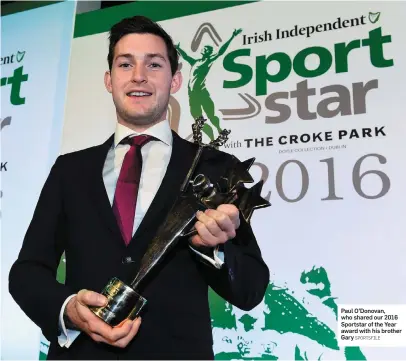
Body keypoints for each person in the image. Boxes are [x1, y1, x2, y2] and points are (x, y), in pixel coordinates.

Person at [8, 16, 269, 360]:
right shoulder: (69, 170)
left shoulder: (215, 168)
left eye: (154, 64)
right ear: (109, 79)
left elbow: (251, 288)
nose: (138, 76)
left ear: (175, 80)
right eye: (125, 63)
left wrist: (215, 251)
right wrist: (68, 308)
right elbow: (27, 271)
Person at [176, 29, 242, 141]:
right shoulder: (195, 62)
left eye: (206, 49)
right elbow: (186, 56)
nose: (203, 49)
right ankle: (211, 138)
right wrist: (178, 48)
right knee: (198, 120)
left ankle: (220, 130)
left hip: (202, 93)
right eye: (204, 48)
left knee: (210, 115)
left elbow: (221, 52)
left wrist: (232, 37)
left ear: (208, 52)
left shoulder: (208, 61)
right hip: (192, 94)